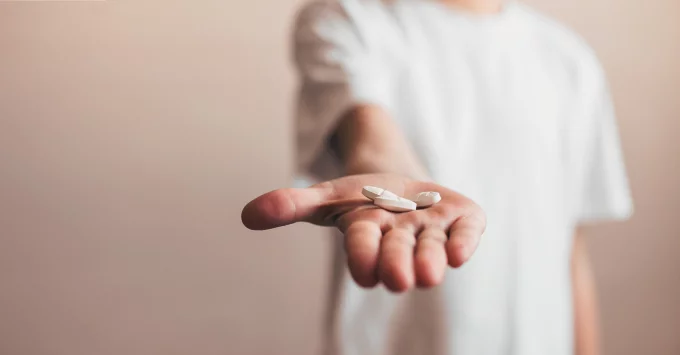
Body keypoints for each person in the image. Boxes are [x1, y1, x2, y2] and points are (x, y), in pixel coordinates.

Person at [241, 0, 634, 354]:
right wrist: (386, 170)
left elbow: (572, 254)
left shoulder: (570, 60)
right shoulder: (348, 19)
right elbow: (369, 129)